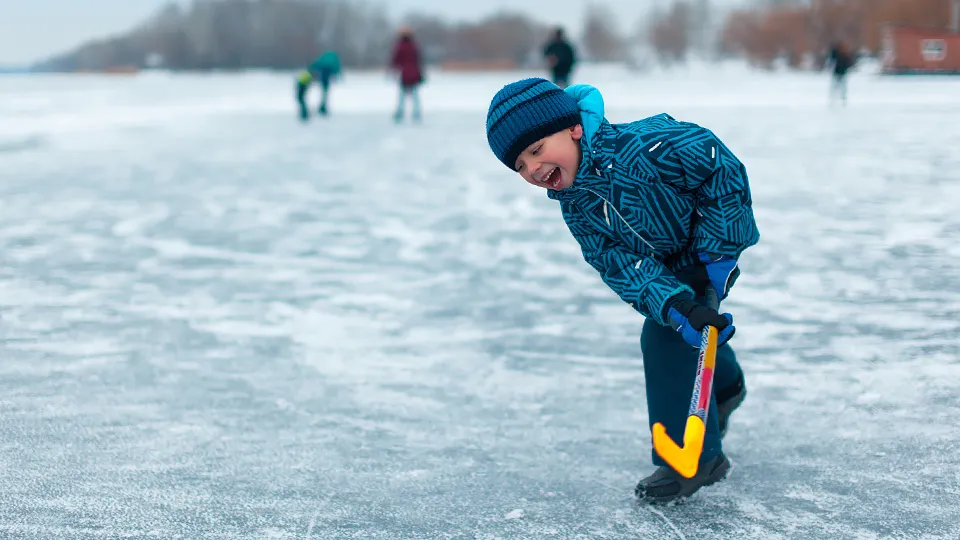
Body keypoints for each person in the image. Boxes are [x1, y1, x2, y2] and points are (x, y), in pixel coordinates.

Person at [485, 78, 760, 504]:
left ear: (574, 128)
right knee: (684, 326)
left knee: (661, 340)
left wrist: (718, 252)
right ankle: (725, 386)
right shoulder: (576, 206)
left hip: (708, 246)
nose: (533, 169)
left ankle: (696, 460)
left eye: (537, 150)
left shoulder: (645, 146)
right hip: (664, 271)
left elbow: (717, 164)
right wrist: (672, 302)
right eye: (520, 165)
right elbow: (616, 262)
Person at [390, 26, 424, 123]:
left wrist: (393, 69)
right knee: (414, 94)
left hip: (405, 73)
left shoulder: (400, 46)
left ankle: (400, 112)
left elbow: (395, 59)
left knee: (402, 95)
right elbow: (418, 59)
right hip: (413, 73)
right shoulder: (414, 45)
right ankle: (416, 113)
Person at [295, 50, 341, 121]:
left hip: (302, 85)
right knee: (302, 99)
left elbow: (304, 81)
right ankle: (309, 112)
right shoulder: (329, 63)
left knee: (301, 99)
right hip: (304, 85)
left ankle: (306, 113)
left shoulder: (310, 70)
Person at [826, 41, 855, 106]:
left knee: (842, 85)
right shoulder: (838, 54)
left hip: (842, 72)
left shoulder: (845, 55)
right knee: (837, 85)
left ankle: (842, 97)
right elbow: (832, 59)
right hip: (838, 71)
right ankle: (834, 96)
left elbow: (849, 62)